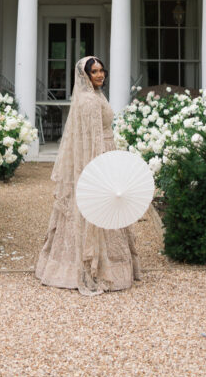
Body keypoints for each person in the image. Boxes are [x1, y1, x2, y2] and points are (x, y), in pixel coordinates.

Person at [35, 56, 142, 295]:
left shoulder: (94, 96)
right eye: (95, 72)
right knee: (100, 209)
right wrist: (99, 170)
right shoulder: (90, 101)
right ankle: (94, 267)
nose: (100, 75)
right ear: (85, 75)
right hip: (99, 157)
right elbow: (91, 138)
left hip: (105, 153)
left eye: (102, 70)